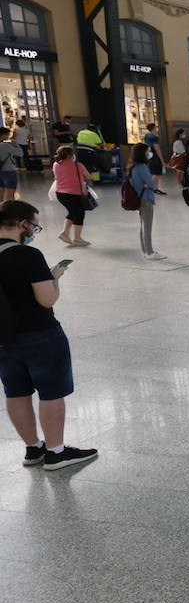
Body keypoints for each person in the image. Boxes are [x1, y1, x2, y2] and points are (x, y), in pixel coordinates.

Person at [0, 200, 98, 471]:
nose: (33, 231)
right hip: (40, 334)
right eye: (33, 226)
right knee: (51, 392)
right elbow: (46, 299)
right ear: (22, 224)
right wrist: (54, 278)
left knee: (16, 392)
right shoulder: (27, 256)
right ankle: (56, 452)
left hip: (4, 339)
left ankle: (33, 449)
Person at [127, 143, 163, 261]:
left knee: (143, 225)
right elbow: (152, 184)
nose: (149, 153)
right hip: (146, 199)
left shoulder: (133, 167)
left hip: (139, 198)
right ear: (142, 153)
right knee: (147, 226)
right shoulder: (142, 167)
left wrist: (147, 184)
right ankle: (149, 251)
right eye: (147, 151)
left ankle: (144, 250)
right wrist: (148, 184)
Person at [51, 145, 92, 247]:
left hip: (60, 193)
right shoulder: (78, 165)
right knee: (79, 215)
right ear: (70, 155)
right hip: (74, 194)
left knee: (72, 212)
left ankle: (64, 233)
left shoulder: (56, 164)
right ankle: (77, 239)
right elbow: (88, 176)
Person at [142, 122, 166, 194]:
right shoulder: (155, 137)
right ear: (153, 128)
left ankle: (155, 188)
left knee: (154, 172)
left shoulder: (146, 136)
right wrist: (162, 160)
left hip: (149, 155)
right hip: (155, 156)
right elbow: (157, 149)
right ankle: (149, 186)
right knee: (156, 173)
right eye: (156, 127)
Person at [0, 127, 20, 202]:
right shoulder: (5, 145)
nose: (8, 137)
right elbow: (20, 153)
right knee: (10, 192)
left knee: (1, 191)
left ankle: (1, 209)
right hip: (8, 170)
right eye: (8, 135)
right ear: (3, 135)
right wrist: (15, 144)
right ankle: (9, 210)